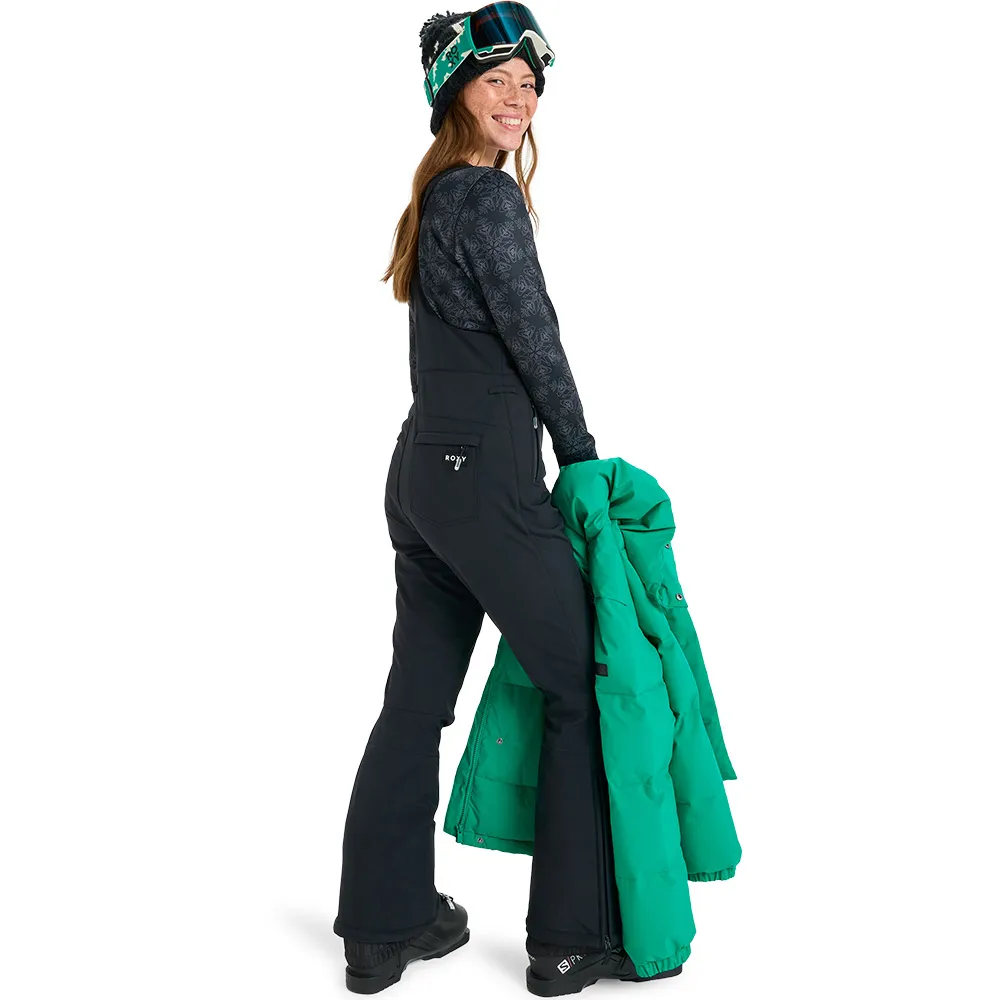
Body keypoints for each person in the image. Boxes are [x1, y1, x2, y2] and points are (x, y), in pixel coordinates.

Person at [332, 6, 659, 994]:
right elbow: (533, 335)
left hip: (421, 475)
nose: (518, 98)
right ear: (454, 94)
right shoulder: (484, 197)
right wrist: (582, 456)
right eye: (496, 81)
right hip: (487, 478)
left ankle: (383, 927)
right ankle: (569, 939)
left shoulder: (433, 196)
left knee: (415, 699)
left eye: (529, 84)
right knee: (582, 682)